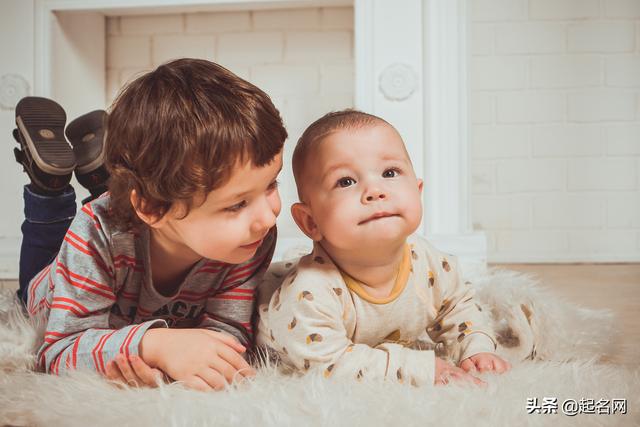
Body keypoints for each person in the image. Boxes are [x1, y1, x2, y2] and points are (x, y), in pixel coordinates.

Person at [12, 58, 287, 391]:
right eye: (236, 204)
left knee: (118, 215)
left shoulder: (249, 240)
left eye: (271, 184)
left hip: (133, 224)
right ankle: (48, 186)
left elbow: (229, 332)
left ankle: (107, 178)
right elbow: (58, 352)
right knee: (32, 281)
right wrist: (152, 345)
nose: (268, 217)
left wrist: (190, 359)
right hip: (53, 286)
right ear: (154, 207)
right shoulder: (94, 233)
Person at [256, 110, 510, 386]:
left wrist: (476, 347)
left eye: (390, 173)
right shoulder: (309, 293)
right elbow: (328, 364)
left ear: (417, 190)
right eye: (346, 181)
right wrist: (418, 368)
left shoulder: (429, 262)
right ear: (310, 221)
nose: (375, 190)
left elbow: (459, 308)